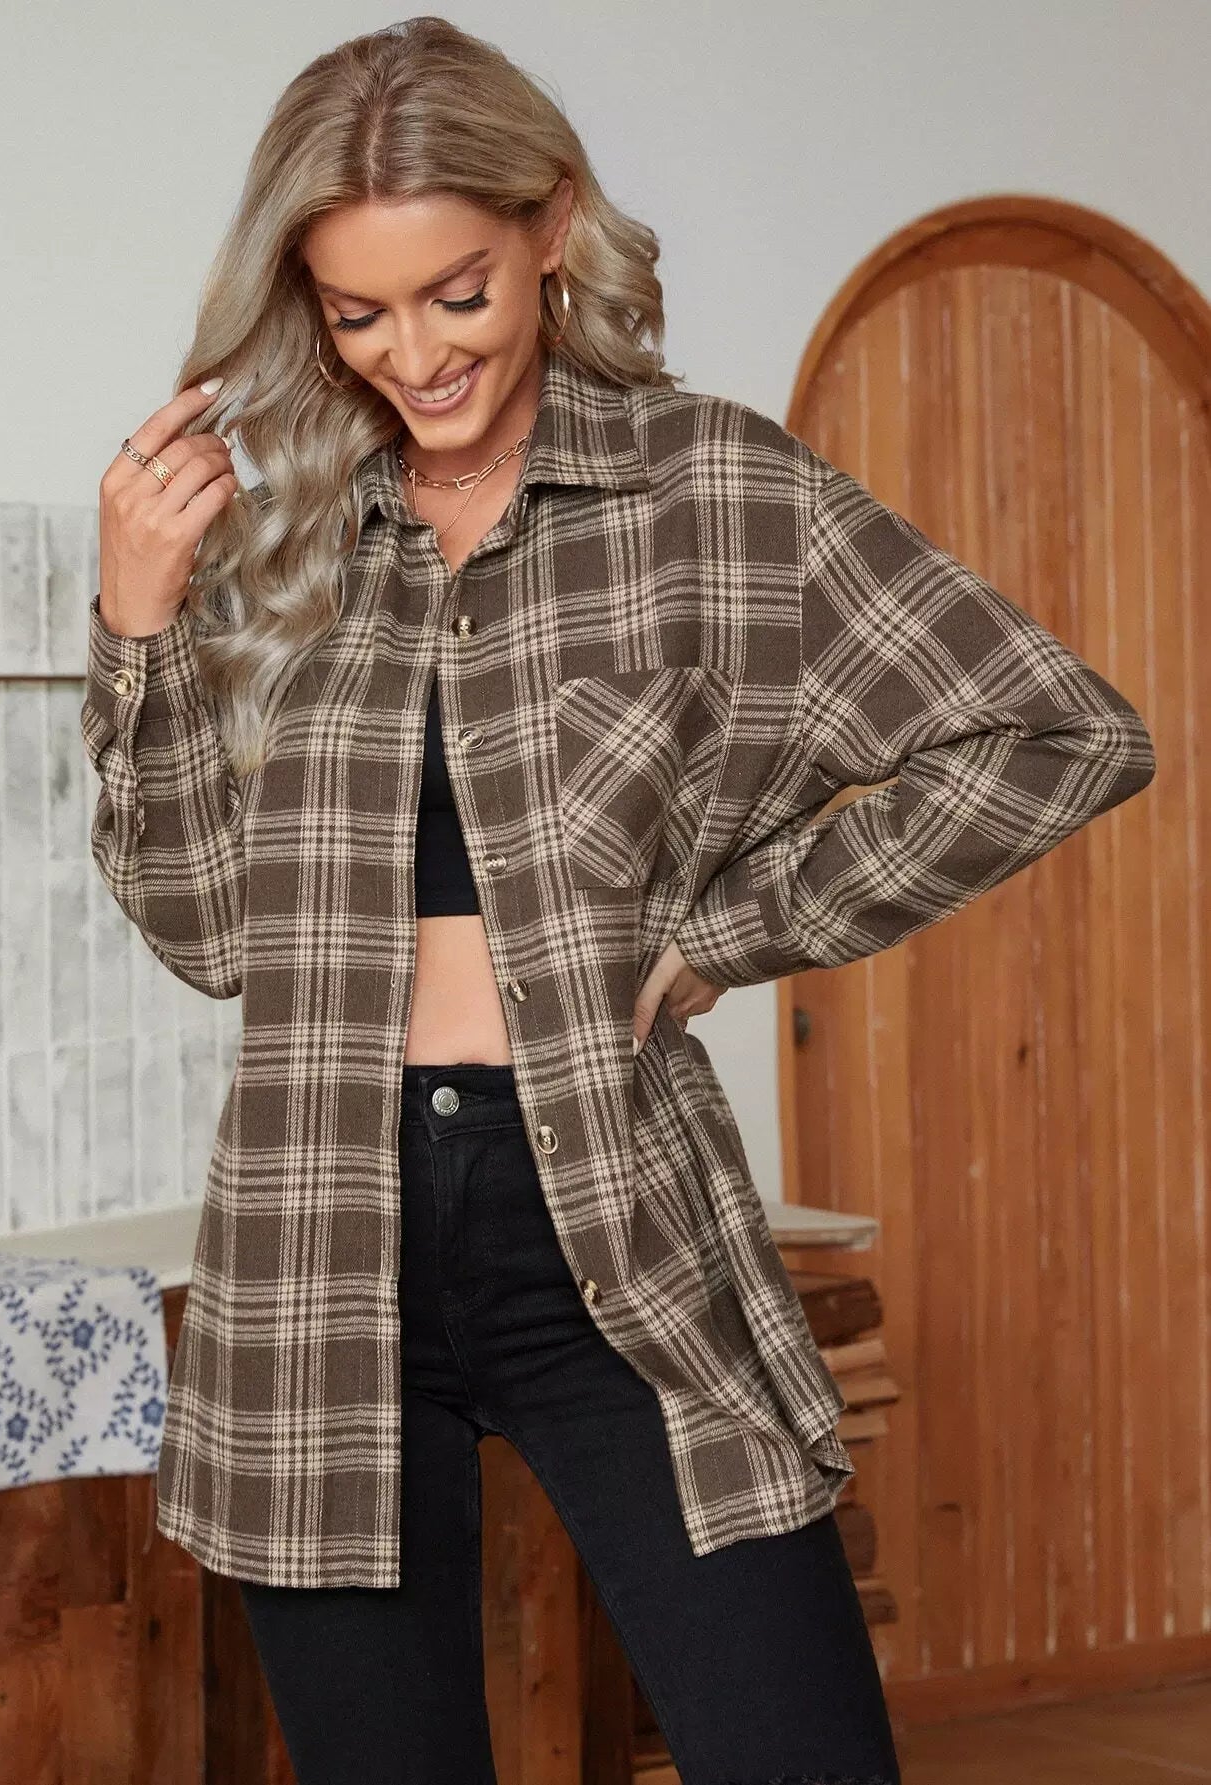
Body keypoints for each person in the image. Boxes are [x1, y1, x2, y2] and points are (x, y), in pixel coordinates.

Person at [81, 18, 1156, 1785]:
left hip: (601, 1189)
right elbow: (203, 929)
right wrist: (135, 622)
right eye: (358, 314)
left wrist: (736, 925)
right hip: (311, 1224)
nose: (415, 354)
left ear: (554, 228)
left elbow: (1057, 731)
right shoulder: (283, 536)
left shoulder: (709, 489)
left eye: (457, 293)